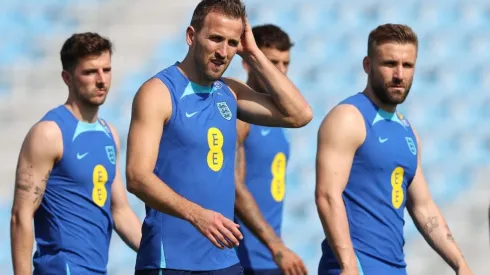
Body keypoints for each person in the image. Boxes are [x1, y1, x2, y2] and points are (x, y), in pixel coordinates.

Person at [125, 0, 313, 274]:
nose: (223, 52)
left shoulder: (229, 93)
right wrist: (197, 215)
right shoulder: (159, 92)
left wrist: (253, 53)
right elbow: (136, 176)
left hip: (225, 261)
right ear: (191, 36)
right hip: (171, 261)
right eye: (215, 39)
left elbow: (300, 115)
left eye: (232, 43)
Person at [315, 24, 473, 275]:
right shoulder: (349, 117)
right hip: (355, 267)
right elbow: (327, 195)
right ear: (367, 65)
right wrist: (348, 264)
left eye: (407, 65)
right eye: (389, 64)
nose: (399, 74)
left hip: (396, 268)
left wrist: (460, 264)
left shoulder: (408, 131)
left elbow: (423, 207)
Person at [10, 32, 142, 275]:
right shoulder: (49, 133)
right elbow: (21, 216)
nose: (102, 80)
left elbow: (119, 210)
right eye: (90, 72)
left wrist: (156, 256)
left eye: (107, 69)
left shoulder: (109, 133)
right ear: (67, 78)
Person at [234, 24, 307, 275]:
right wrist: (275, 246)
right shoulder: (240, 116)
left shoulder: (278, 117)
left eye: (285, 63)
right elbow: (233, 187)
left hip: (269, 258)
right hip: (243, 258)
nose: (281, 71)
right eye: (272, 62)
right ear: (248, 63)